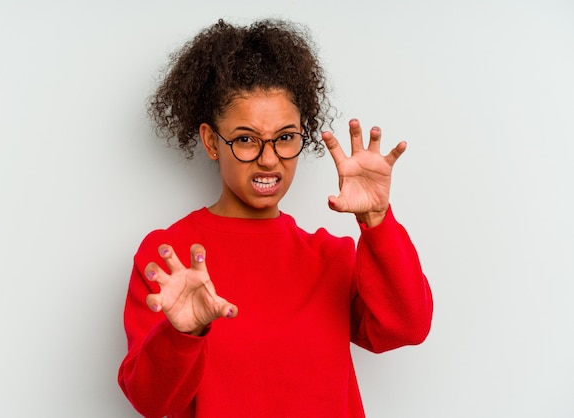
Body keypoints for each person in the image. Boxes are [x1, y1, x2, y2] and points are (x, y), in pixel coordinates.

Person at [118, 18, 433, 418]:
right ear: (212, 141)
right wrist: (184, 333)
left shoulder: (330, 257)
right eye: (247, 139)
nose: (270, 159)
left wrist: (377, 220)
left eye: (285, 137)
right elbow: (149, 400)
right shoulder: (170, 256)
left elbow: (407, 326)